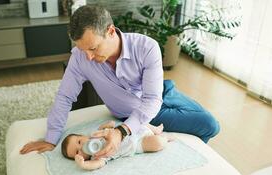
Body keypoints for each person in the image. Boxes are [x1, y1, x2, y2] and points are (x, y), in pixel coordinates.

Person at [20, 5, 220, 158]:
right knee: (209, 125)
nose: (88, 56)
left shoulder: (146, 47)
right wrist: (51, 138)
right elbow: (65, 96)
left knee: (210, 123)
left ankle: (190, 156)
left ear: (110, 31)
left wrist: (121, 132)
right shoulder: (80, 58)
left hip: (159, 95)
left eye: (93, 48)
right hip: (133, 112)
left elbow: (152, 98)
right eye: (83, 50)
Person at [61, 121, 174, 170]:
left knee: (139, 122)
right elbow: (97, 165)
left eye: (79, 142)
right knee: (157, 143)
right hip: (136, 144)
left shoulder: (95, 134)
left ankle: (155, 129)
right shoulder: (97, 156)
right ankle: (165, 138)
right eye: (77, 152)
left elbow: (107, 127)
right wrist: (84, 165)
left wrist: (108, 126)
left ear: (83, 136)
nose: (81, 147)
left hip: (130, 131)